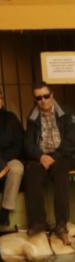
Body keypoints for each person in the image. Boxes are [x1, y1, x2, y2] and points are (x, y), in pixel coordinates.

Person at [22, 83, 75, 240]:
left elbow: (74, 141)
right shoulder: (32, 117)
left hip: (66, 155)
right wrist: (40, 156)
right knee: (31, 171)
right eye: (39, 98)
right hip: (44, 156)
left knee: (59, 170)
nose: (43, 100)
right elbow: (28, 144)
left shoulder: (66, 112)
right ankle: (38, 222)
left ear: (52, 95)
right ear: (35, 100)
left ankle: (61, 223)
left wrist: (55, 156)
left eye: (46, 96)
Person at [0, 87, 24, 232]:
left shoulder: (11, 118)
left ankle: (5, 210)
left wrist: (4, 159)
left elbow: (19, 143)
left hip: (8, 159)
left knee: (17, 168)